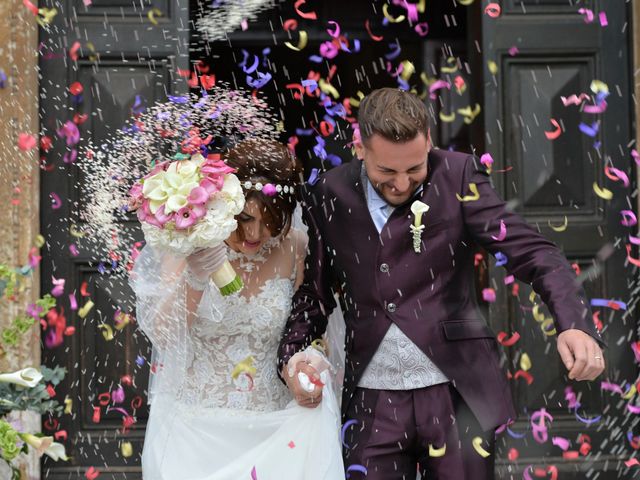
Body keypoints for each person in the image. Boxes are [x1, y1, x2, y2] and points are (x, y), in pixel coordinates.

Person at [278, 87, 605, 479]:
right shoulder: (328, 193)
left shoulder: (457, 174)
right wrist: (292, 357)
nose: (402, 184)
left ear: (429, 142)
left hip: (456, 392)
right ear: (360, 147)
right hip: (371, 398)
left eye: (414, 169)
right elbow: (315, 292)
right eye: (387, 172)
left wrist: (573, 323)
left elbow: (535, 252)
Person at [131, 139, 344, 479]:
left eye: (269, 220)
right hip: (196, 430)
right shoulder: (189, 243)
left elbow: (309, 329)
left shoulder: (296, 248)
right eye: (243, 218)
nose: (254, 233)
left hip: (275, 427)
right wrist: (197, 277)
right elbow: (164, 335)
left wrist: (311, 358)